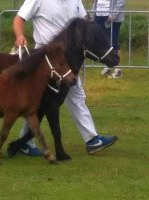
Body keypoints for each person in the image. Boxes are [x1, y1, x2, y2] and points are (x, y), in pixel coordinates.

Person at [12, 0, 118, 156]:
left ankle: (92, 139)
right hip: (45, 59)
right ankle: (25, 141)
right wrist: (20, 36)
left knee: (76, 96)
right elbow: (18, 19)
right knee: (40, 102)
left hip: (69, 59)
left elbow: (84, 21)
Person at [92, 0, 125, 78]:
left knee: (113, 41)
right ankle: (108, 66)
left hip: (112, 18)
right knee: (104, 43)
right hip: (99, 15)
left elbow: (121, 2)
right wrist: (92, 13)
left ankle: (118, 70)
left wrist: (113, 15)